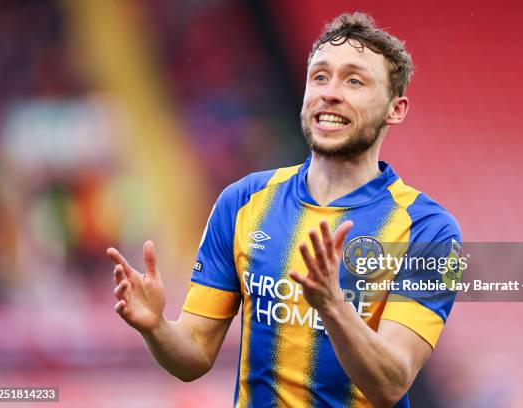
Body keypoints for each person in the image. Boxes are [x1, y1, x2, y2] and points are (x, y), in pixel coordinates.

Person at [107, 12, 462, 408]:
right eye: (320, 77)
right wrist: (156, 327)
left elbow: (391, 383)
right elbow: (193, 355)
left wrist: (333, 307)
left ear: (395, 109)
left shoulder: (429, 230)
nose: (330, 92)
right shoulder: (243, 201)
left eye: (354, 80)